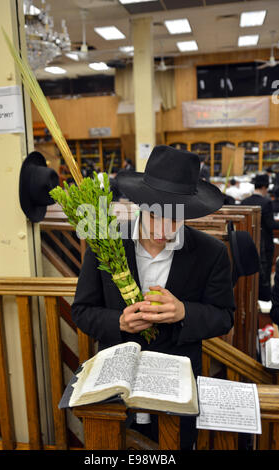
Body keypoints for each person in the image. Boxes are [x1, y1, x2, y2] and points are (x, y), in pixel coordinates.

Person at [71, 145, 235, 449]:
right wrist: (119, 321)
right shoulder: (104, 241)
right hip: (115, 385)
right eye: (155, 215)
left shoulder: (211, 253)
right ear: (139, 204)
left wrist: (184, 311)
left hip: (177, 386)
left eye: (175, 218)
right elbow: (81, 311)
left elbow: (224, 316)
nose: (164, 228)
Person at [241, 173, 279, 300]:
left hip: (247, 242)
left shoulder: (244, 201)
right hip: (265, 244)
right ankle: (264, 299)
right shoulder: (266, 202)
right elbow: (270, 225)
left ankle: (249, 298)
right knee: (265, 272)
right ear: (264, 187)